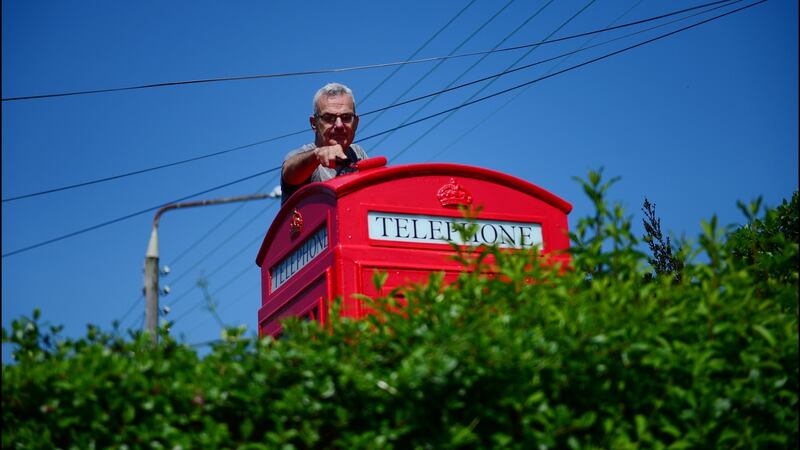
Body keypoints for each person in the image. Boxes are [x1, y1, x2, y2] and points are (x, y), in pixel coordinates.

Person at [281, 82, 368, 204]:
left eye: (346, 117)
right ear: (314, 123)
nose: (339, 125)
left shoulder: (358, 153)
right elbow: (289, 174)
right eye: (328, 118)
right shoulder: (304, 157)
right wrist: (317, 155)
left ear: (356, 123)